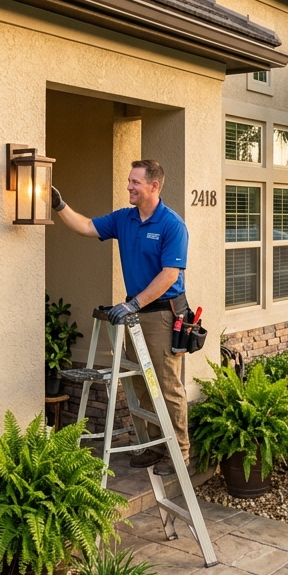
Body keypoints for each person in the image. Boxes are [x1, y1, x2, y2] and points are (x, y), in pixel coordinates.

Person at [51, 159, 190, 475]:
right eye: (129, 181)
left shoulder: (171, 225)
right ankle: (155, 446)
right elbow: (87, 226)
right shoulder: (125, 219)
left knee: (167, 385)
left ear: (154, 186)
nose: (129, 186)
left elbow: (170, 274)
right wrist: (60, 205)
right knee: (141, 383)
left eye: (135, 182)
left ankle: (179, 452)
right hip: (136, 314)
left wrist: (134, 304)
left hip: (162, 315)